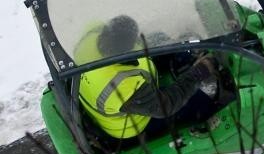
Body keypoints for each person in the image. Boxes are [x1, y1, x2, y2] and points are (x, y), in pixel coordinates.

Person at [77, 15, 217, 140]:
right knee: (200, 102)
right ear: (125, 50)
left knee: (157, 37)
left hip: (128, 85)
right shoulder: (119, 86)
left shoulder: (91, 34)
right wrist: (199, 72)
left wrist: (171, 42)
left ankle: (187, 57)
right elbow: (165, 106)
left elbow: (137, 40)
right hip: (134, 124)